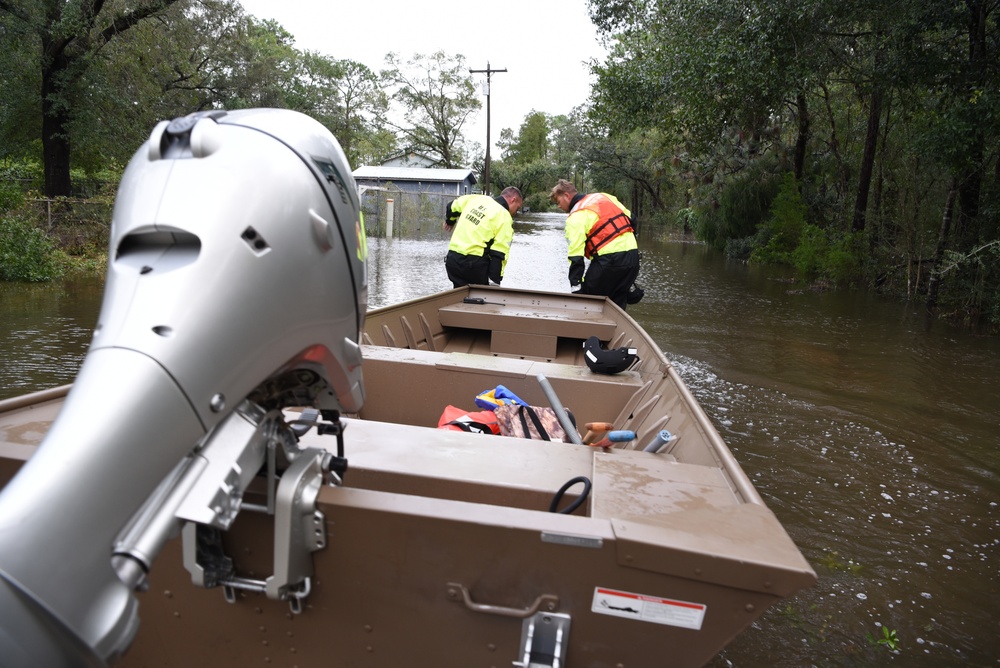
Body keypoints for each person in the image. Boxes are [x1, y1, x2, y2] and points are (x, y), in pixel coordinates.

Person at [549, 179, 640, 309]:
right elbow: (632, 219)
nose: (559, 206)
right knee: (617, 306)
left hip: (609, 261)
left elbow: (576, 257)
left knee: (588, 302)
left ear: (567, 196)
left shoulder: (576, 216)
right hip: (633, 258)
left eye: (558, 202)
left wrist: (576, 288)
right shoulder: (604, 196)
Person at [443, 186, 523, 288]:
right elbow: (499, 253)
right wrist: (494, 282)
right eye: (517, 207)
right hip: (474, 266)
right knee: (480, 299)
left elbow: (451, 206)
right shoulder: (504, 216)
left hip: (452, 261)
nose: (516, 212)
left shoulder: (477, 199)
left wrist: (450, 221)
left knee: (459, 294)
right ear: (513, 200)